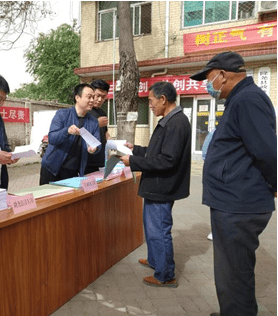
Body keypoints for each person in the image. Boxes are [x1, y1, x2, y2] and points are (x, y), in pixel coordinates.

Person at [190, 51, 277, 316]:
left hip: (239, 205)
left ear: (223, 75)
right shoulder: (240, 99)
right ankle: (233, 310)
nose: (208, 86)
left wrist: (274, 186)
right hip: (234, 201)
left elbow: (266, 151)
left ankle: (237, 311)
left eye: (209, 79)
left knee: (234, 274)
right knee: (231, 271)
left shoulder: (248, 100)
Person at [119, 81, 191, 288]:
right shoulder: (169, 120)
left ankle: (165, 275)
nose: (149, 105)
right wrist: (136, 149)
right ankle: (155, 260)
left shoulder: (176, 123)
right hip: (157, 186)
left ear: (163, 99)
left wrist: (132, 162)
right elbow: (157, 151)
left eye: (151, 101)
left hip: (162, 187)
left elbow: (167, 160)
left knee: (159, 230)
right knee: (152, 228)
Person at [40, 83, 101, 185]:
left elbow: (97, 143)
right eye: (89, 97)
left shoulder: (93, 122)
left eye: (93, 97)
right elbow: (52, 138)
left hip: (73, 172)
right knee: (47, 199)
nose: (92, 100)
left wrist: (94, 148)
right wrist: (67, 131)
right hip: (52, 168)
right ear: (77, 97)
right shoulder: (62, 114)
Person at [84, 79, 110, 174]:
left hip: (100, 159)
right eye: (97, 96)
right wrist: (96, 123)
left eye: (103, 97)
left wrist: (112, 143)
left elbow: (105, 132)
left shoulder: (102, 112)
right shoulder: (84, 110)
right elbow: (79, 131)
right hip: (86, 160)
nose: (100, 100)